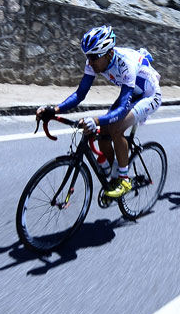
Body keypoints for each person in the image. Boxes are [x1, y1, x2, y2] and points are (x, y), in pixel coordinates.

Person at [36, 25, 162, 199]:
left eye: (94, 57)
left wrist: (95, 120)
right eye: (87, 56)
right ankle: (114, 175)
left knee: (116, 128)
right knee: (102, 135)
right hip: (132, 93)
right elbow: (80, 94)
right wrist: (54, 109)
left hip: (149, 94)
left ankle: (124, 180)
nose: (90, 61)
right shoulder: (94, 63)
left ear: (109, 54)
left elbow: (122, 108)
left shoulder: (126, 64)